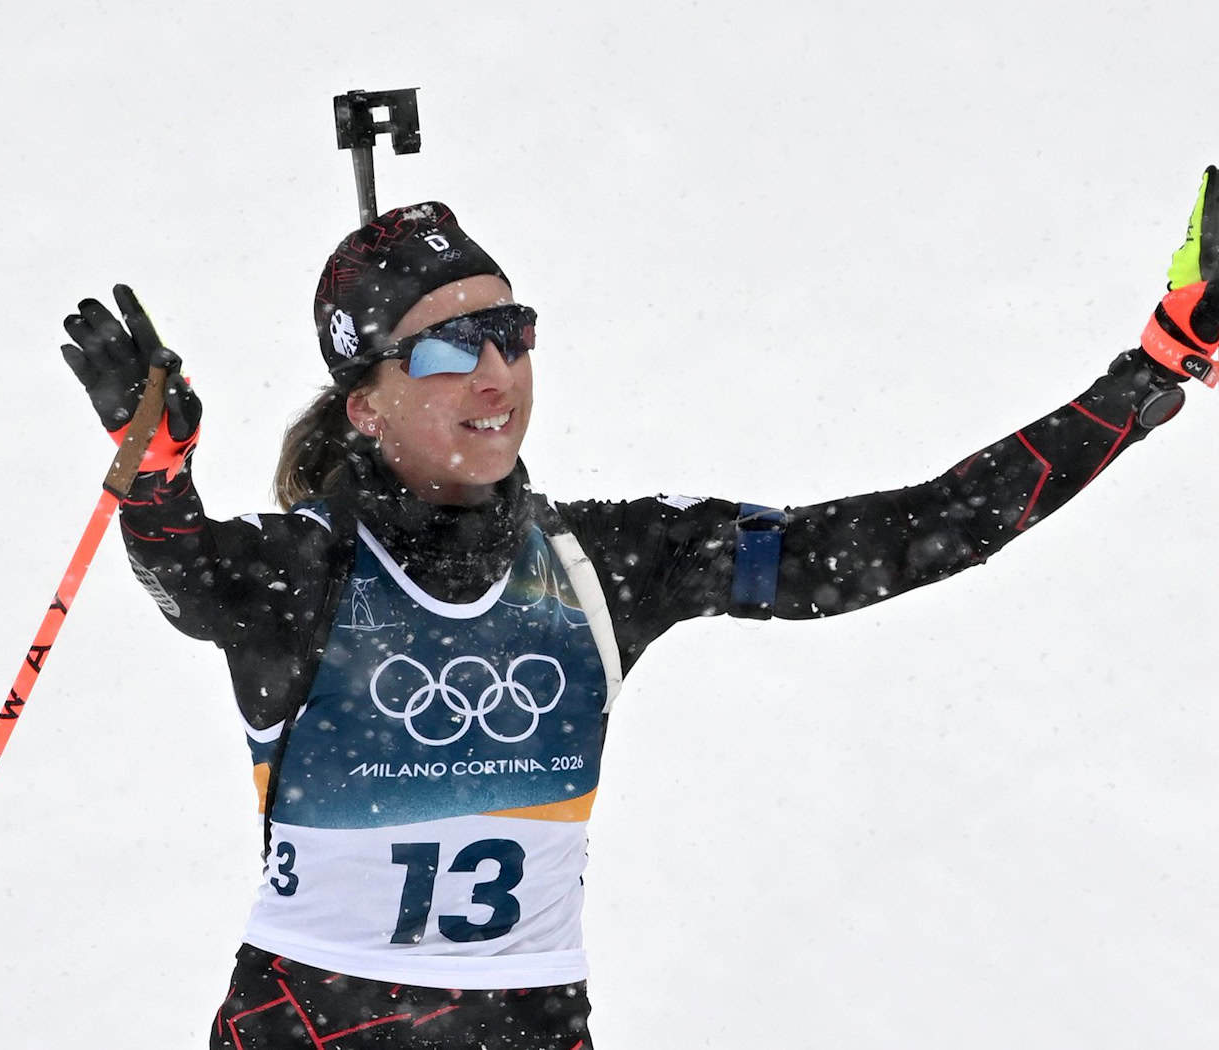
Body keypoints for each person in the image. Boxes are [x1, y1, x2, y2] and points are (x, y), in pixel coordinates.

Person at [59, 173, 1218, 1049]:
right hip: (310, 1020)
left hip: (525, 1022)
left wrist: (1152, 370)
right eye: (451, 345)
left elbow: (911, 532)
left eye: (511, 333)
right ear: (362, 407)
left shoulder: (604, 560)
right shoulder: (304, 572)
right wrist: (154, 474)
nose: (495, 372)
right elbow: (187, 576)